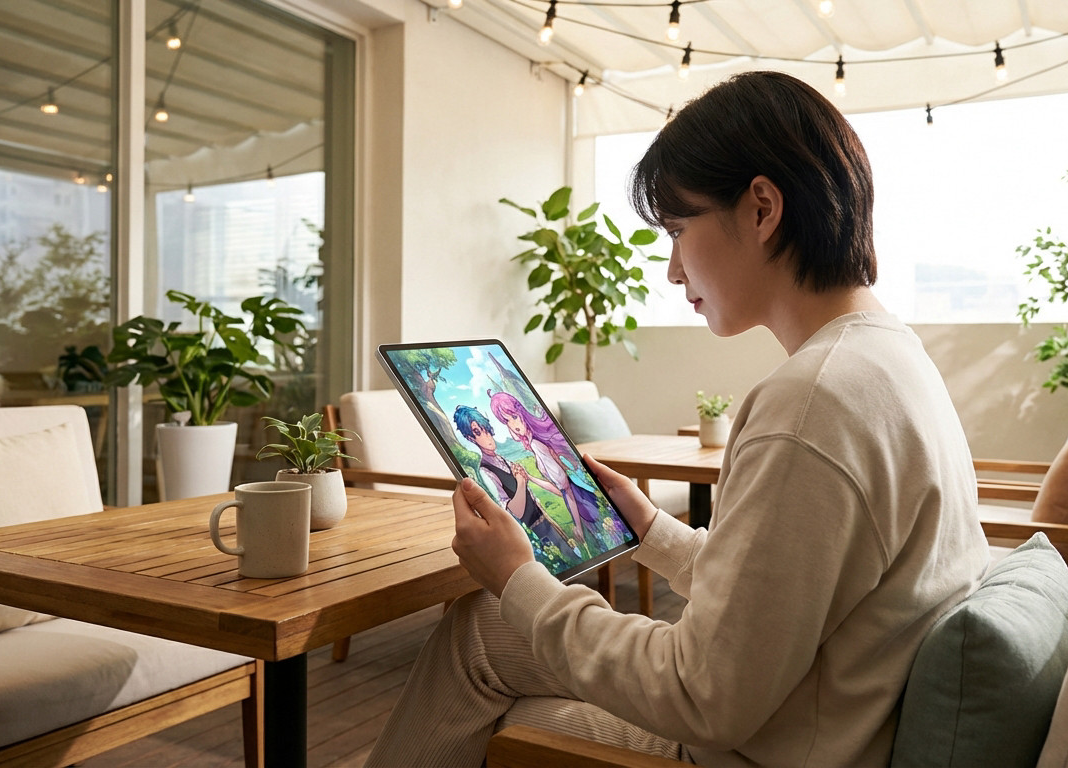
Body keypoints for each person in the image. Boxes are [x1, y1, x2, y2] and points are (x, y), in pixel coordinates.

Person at [366, 70, 989, 767]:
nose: (670, 269)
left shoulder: (813, 403)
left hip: (757, 746)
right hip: (811, 708)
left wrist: (517, 578)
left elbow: (703, 694)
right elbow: (779, 595)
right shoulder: (886, 358)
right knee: (482, 631)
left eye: (677, 230)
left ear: (760, 208)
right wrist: (651, 535)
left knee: (498, 666)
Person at [453, 404, 575, 557]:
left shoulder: (504, 461)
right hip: (530, 535)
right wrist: (521, 483)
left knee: (570, 556)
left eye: (486, 429)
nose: (487, 437)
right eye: (478, 432)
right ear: (471, 438)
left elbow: (532, 491)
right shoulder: (486, 471)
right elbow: (512, 512)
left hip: (546, 523)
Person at [488, 389, 603, 550]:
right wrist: (529, 477)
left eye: (514, 417)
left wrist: (578, 527)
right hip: (581, 507)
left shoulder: (537, 445)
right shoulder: (535, 446)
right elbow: (559, 490)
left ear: (522, 413)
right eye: (507, 421)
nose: (513, 425)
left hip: (584, 509)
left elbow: (567, 491)